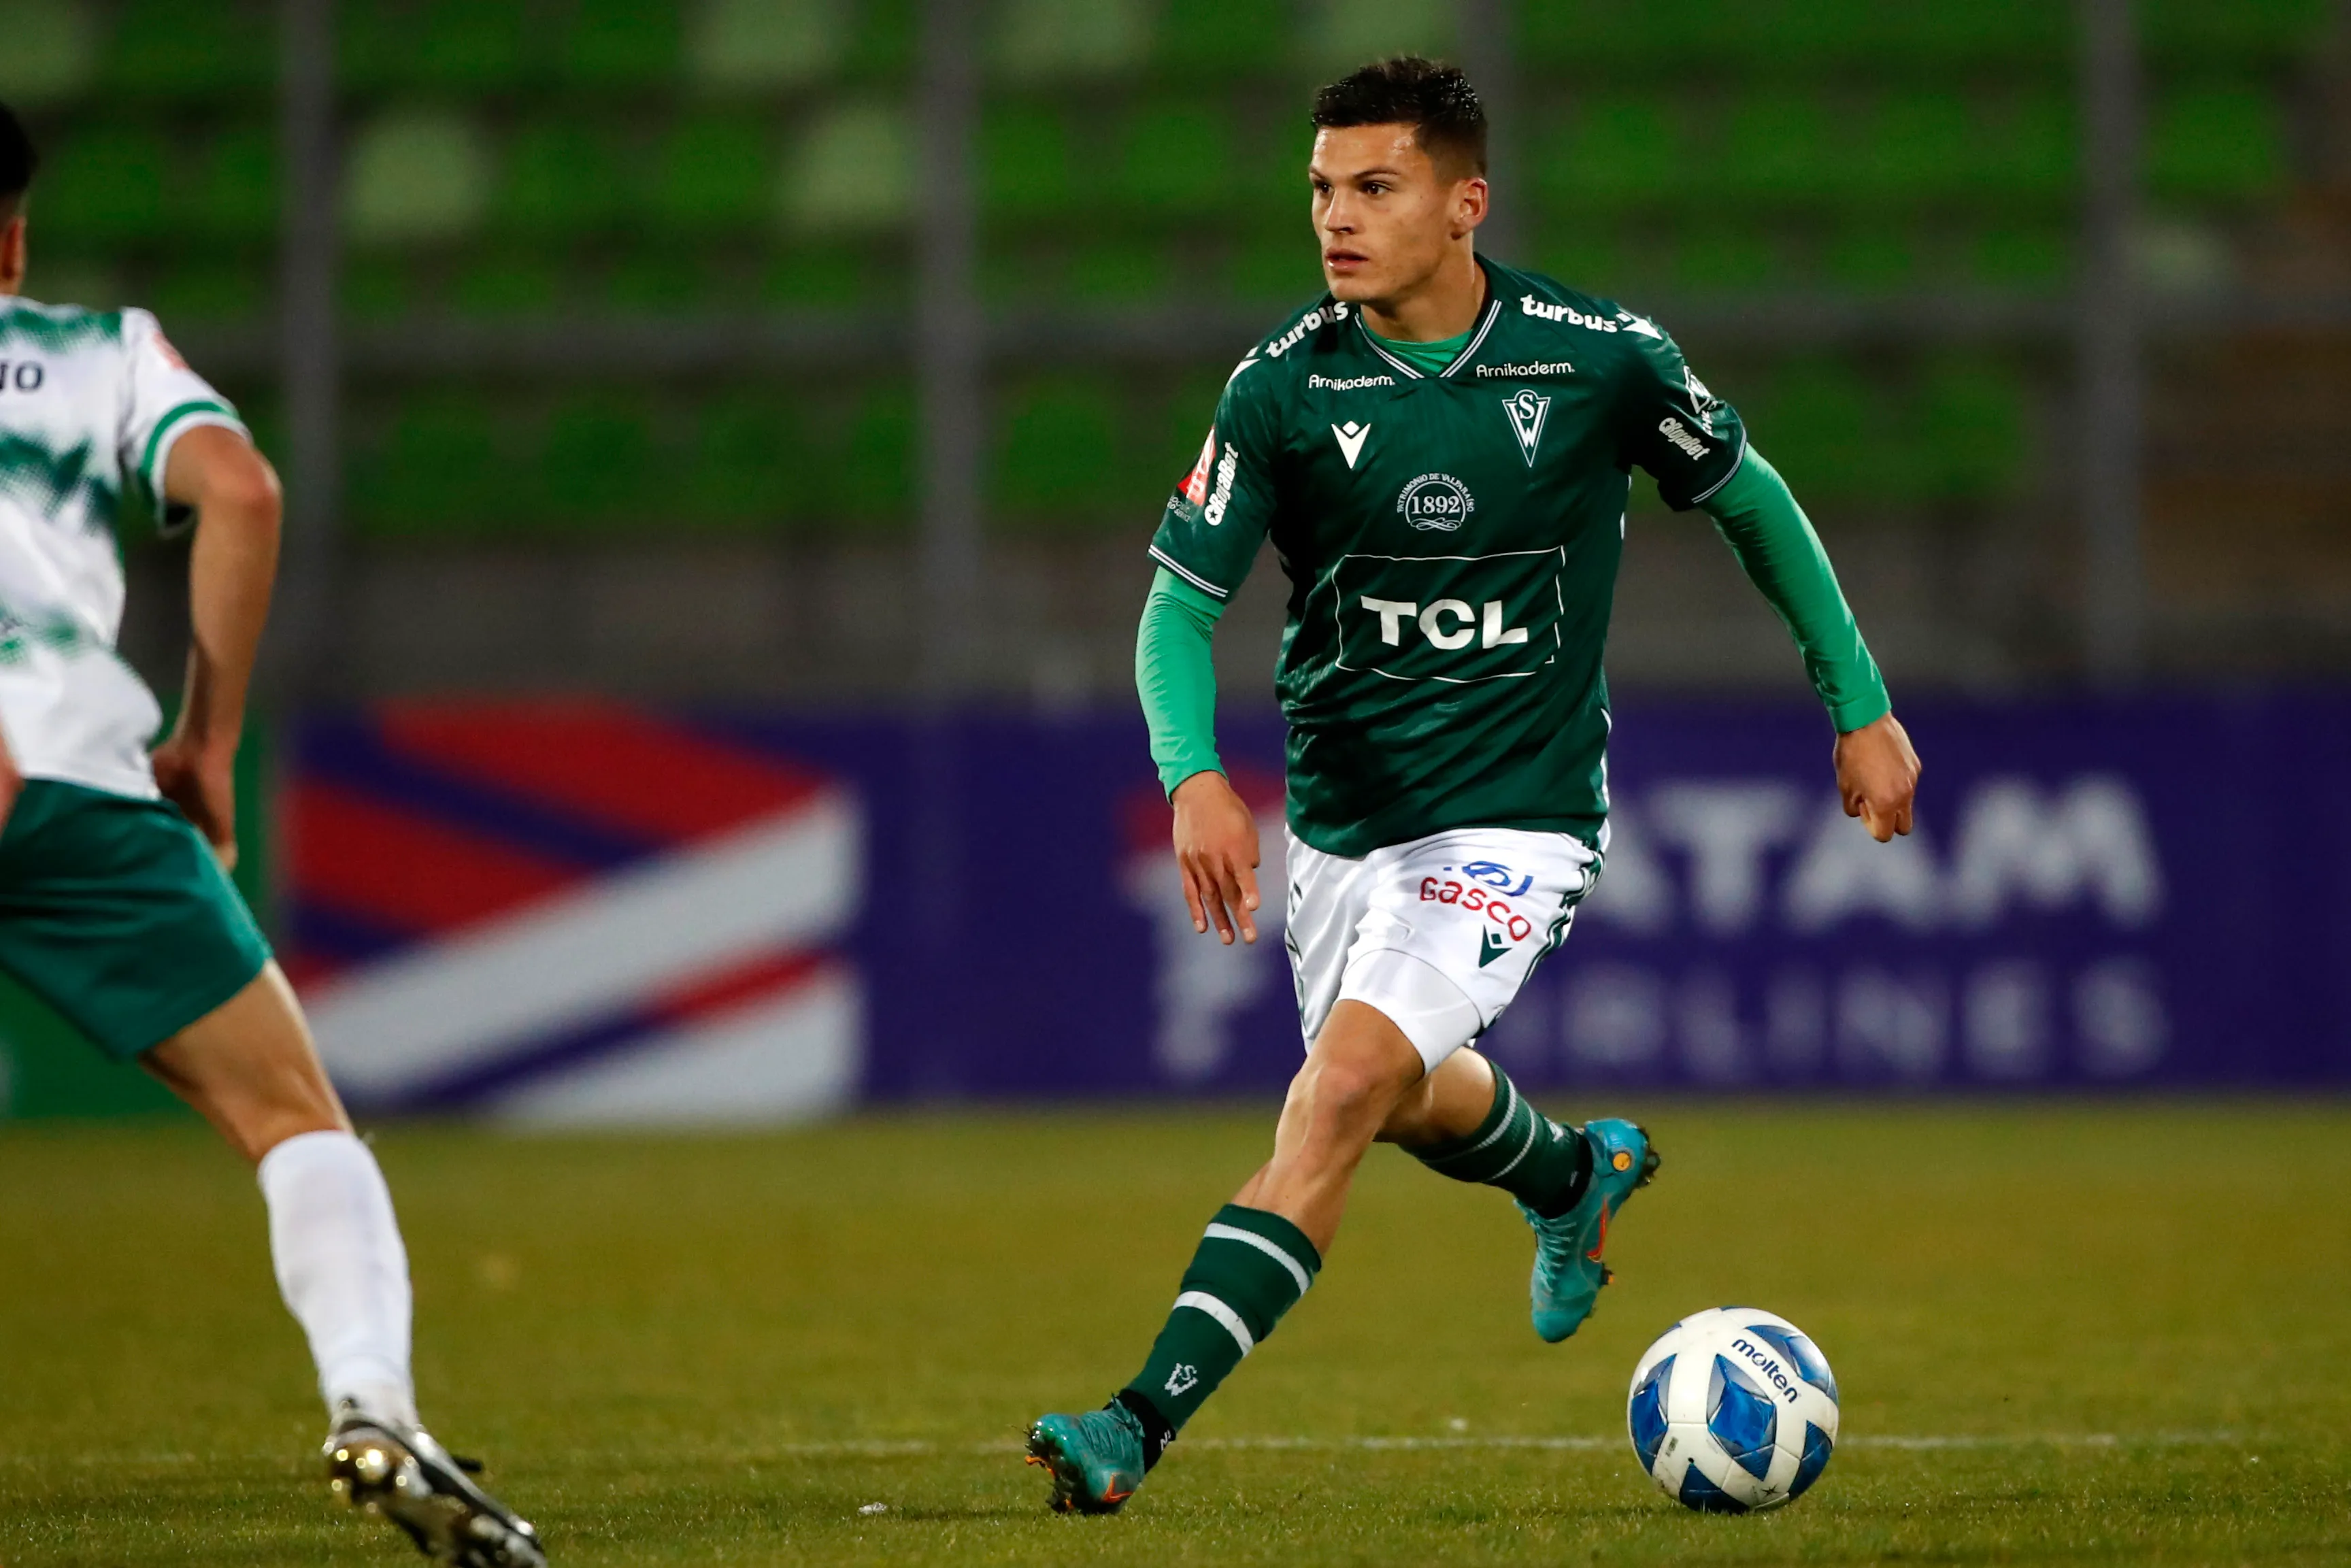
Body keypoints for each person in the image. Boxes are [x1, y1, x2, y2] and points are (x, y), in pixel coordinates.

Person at [1025, 57, 1920, 1513]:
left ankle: (1132, 1424)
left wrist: (1859, 704)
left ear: (1465, 202)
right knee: (1396, 1095)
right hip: (1344, 829)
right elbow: (1179, 606)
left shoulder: (1597, 358)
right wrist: (1194, 777)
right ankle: (1568, 1176)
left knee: (1337, 1096)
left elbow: (1751, 499)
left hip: (1519, 818)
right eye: (1323, 188)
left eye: (1375, 187)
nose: (1337, 217)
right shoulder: (1281, 388)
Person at [0, 102, 544, 1567]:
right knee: (292, 1118)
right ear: (13, 243)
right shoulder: (100, 355)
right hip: (69, 776)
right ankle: (374, 1404)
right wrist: (207, 741)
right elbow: (240, 490)